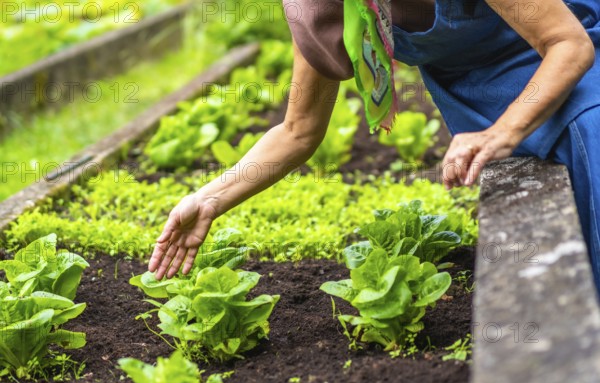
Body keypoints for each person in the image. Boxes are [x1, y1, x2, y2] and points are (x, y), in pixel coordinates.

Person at [148, 0, 600, 290]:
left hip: (571, 75)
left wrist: (505, 130)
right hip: (481, 103)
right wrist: (209, 198)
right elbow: (298, 131)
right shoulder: (328, 13)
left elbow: (567, 44)